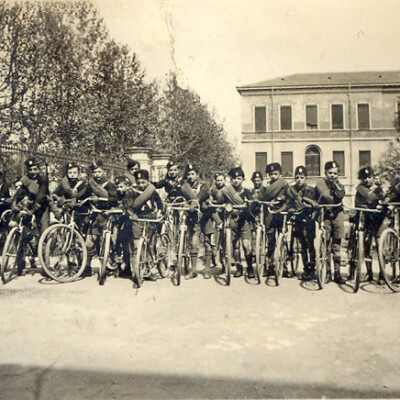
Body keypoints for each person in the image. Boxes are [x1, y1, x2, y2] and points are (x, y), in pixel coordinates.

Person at [216, 167, 254, 278]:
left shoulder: (247, 192)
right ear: (231, 180)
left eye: (239, 178)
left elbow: (250, 206)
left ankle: (250, 268)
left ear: (243, 179)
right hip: (232, 221)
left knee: (247, 246)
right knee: (235, 245)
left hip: (244, 221)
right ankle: (238, 267)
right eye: (234, 179)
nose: (236, 181)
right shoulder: (227, 191)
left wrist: (247, 205)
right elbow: (220, 202)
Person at [126, 169, 163, 282]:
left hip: (150, 219)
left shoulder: (151, 191)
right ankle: (135, 270)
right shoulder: (131, 192)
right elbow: (127, 205)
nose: (141, 185)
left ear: (148, 181)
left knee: (150, 245)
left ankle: (150, 269)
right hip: (138, 219)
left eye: (143, 182)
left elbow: (159, 203)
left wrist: (160, 212)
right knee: (137, 245)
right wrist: (131, 214)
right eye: (139, 183)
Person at [351, 166, 385, 282]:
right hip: (366, 219)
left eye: (369, 177)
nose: (366, 180)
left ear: (372, 177)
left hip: (378, 220)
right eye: (364, 178)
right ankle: (369, 273)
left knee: (380, 245)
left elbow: (383, 201)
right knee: (366, 245)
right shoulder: (360, 189)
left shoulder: (378, 189)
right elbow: (358, 205)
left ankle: (382, 274)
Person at [84, 160, 118, 276]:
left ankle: (109, 265)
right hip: (94, 215)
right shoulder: (90, 185)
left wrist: (102, 200)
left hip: (106, 216)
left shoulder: (109, 185)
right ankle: (87, 267)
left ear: (104, 172)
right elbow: (83, 195)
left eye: (99, 172)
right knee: (89, 242)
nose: (97, 174)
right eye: (95, 172)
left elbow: (114, 199)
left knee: (106, 241)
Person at [315, 161, 346, 284]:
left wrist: (336, 188)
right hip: (326, 215)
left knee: (337, 244)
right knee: (326, 244)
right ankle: (327, 273)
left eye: (335, 173)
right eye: (330, 173)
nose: (333, 175)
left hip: (337, 213)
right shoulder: (320, 183)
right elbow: (328, 197)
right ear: (325, 173)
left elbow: (341, 195)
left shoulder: (339, 185)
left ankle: (337, 273)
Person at [181, 164, 213, 279]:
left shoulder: (203, 186)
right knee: (193, 243)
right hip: (193, 218)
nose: (190, 176)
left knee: (207, 242)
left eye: (192, 174)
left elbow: (202, 194)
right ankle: (193, 270)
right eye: (188, 174)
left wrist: (196, 201)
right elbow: (182, 198)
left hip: (205, 216)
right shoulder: (185, 187)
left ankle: (207, 269)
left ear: (198, 175)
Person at [286, 166, 318, 281]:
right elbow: (289, 203)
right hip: (298, 220)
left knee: (310, 244)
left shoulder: (310, 190)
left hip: (308, 220)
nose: (299, 180)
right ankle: (305, 268)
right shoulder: (291, 190)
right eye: (297, 177)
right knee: (302, 245)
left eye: (302, 177)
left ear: (306, 178)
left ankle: (312, 269)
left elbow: (314, 205)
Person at [259, 162, 289, 277]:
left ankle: (284, 266)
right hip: (269, 214)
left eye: (275, 174)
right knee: (270, 240)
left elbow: (288, 195)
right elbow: (261, 198)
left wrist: (282, 199)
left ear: (280, 174)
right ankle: (270, 265)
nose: (273, 176)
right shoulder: (266, 186)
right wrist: (264, 189)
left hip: (281, 212)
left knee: (282, 238)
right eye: (271, 174)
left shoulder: (284, 184)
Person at [12, 158, 50, 234]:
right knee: (23, 226)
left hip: (41, 206)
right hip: (30, 206)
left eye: (35, 169)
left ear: (39, 170)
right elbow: (19, 193)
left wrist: (32, 210)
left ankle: (47, 243)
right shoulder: (26, 181)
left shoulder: (43, 180)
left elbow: (41, 195)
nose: (33, 172)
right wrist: (14, 203)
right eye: (30, 170)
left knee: (44, 231)